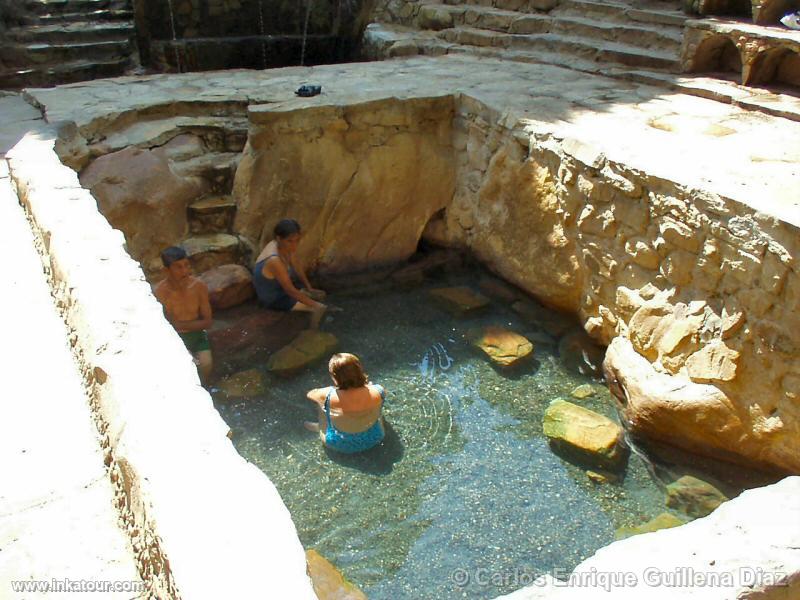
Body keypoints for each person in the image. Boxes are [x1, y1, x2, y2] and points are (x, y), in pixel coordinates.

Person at [153, 246, 213, 385]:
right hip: (176, 338)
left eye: (186, 265)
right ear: (166, 270)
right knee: (185, 367)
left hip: (198, 336)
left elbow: (208, 322)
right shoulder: (160, 293)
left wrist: (180, 325)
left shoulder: (199, 287)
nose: (185, 271)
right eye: (178, 267)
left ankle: (204, 390)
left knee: (206, 364)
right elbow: (163, 327)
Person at [253, 219, 327, 329]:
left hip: (280, 289)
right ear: (279, 238)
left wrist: (309, 287)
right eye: (290, 241)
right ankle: (312, 333)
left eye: (297, 240)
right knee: (321, 309)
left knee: (319, 296)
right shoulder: (274, 260)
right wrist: (316, 306)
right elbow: (290, 290)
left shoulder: (283, 246)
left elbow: (296, 264)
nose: (294, 245)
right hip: (273, 299)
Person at [305, 353, 386, 454]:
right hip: (375, 438)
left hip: (338, 444)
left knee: (322, 405)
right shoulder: (378, 390)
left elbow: (310, 394)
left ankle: (321, 427)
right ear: (360, 370)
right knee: (378, 405)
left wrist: (332, 390)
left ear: (334, 377)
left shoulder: (327, 395)